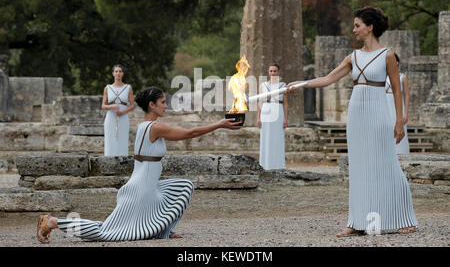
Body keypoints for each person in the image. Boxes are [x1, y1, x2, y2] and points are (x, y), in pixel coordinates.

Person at [36, 86, 242, 243]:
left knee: (184, 186)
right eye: (162, 102)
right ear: (152, 105)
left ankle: (164, 230)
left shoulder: (147, 126)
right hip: (140, 190)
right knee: (107, 232)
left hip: (148, 186)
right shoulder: (154, 127)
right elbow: (190, 133)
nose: (165, 105)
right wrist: (220, 124)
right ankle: (53, 222)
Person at [287, 6, 418, 236]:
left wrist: (399, 121)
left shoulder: (387, 55)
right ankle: (356, 221)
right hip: (356, 116)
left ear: (370, 27)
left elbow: (397, 91)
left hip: (379, 114)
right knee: (358, 167)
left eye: (358, 25)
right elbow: (328, 79)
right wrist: (301, 84)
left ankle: (404, 217)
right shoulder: (353, 57)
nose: (354, 29)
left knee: (387, 164)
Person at [257, 63, 288, 170]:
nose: (273, 73)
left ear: (278, 72)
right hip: (266, 110)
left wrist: (285, 118)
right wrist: (258, 117)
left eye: (275, 71)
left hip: (278, 110)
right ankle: (265, 165)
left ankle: (278, 165)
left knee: (278, 137)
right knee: (266, 137)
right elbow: (260, 101)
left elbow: (285, 103)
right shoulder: (263, 85)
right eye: (271, 71)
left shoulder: (283, 85)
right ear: (268, 72)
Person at [101, 65, 135, 156]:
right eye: (116, 71)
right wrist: (111, 106)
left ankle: (123, 162)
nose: (118, 73)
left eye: (120, 71)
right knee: (110, 140)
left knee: (122, 140)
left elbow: (132, 105)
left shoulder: (128, 88)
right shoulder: (107, 88)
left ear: (123, 73)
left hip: (123, 117)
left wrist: (122, 112)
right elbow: (103, 106)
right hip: (110, 117)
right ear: (113, 74)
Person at [386, 54, 410, 154]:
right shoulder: (383, 77)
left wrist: (406, 114)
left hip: (397, 106)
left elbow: (407, 95)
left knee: (398, 128)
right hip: (385, 105)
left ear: (397, 62)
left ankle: (400, 152)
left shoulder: (402, 77)